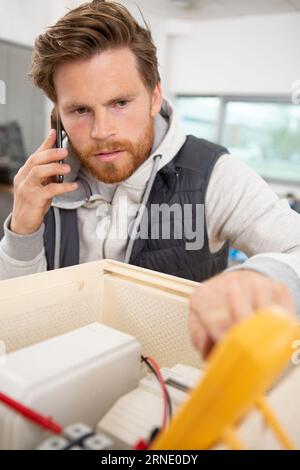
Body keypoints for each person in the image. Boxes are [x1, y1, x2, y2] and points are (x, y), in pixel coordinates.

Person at [0, 0, 299, 357]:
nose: (102, 131)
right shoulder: (45, 182)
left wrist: (262, 279)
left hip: (169, 388)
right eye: (79, 110)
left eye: (120, 103)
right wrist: (22, 233)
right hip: (63, 376)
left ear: (155, 96)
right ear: (59, 114)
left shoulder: (213, 172)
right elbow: (16, 318)